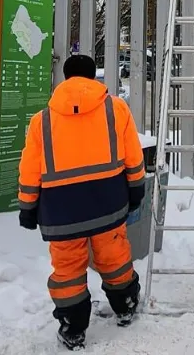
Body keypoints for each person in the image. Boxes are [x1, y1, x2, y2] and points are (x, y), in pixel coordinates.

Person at [18, 54, 146, 351]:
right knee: (114, 257)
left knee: (68, 270)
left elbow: (30, 167)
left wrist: (27, 206)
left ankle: (73, 328)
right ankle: (125, 305)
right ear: (93, 77)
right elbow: (133, 153)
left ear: (65, 78)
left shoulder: (42, 120)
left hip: (61, 212)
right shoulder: (116, 109)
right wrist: (136, 187)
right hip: (108, 203)